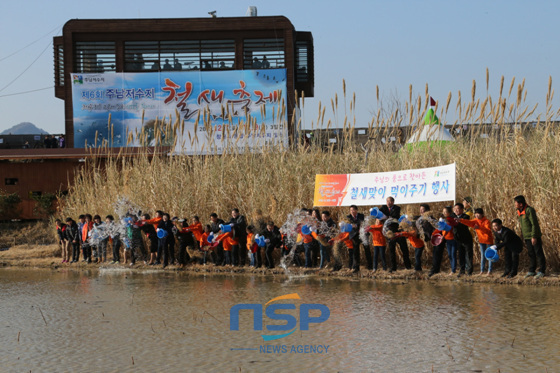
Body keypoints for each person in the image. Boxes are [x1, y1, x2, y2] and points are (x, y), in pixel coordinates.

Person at [515, 195, 546, 278]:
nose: (515, 204)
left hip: (533, 236)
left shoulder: (529, 210)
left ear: (521, 204)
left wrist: (534, 236)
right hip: (527, 237)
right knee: (531, 253)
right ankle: (532, 270)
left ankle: (542, 271)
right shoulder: (519, 211)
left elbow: (534, 224)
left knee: (538, 253)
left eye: (516, 203)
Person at [380, 197, 411, 272]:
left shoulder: (397, 208)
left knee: (404, 250)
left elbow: (394, 216)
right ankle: (393, 268)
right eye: (387, 201)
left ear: (393, 202)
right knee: (391, 251)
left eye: (390, 201)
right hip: (390, 233)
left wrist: (386, 217)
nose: (388, 202)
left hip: (398, 231)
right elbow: (379, 214)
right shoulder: (383, 207)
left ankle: (408, 267)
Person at [460, 208, 494, 275]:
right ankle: (482, 270)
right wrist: (460, 220)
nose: (477, 215)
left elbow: (488, 230)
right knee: (482, 255)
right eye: (475, 214)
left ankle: (489, 271)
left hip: (488, 240)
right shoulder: (475, 220)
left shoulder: (486, 221)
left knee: (490, 255)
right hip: (481, 240)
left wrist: (479, 227)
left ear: (482, 214)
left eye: (478, 214)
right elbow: (469, 222)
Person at [347, 205, 372, 272]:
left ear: (356, 210)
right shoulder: (348, 217)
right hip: (354, 236)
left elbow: (362, 223)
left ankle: (370, 266)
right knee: (355, 252)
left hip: (363, 234)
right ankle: (356, 267)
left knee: (367, 250)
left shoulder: (361, 216)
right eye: (351, 210)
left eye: (353, 210)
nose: (352, 211)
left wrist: (356, 225)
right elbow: (347, 226)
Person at [451, 203, 474, 276]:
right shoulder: (452, 216)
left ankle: (469, 272)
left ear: (462, 209)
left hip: (466, 239)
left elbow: (463, 224)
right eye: (455, 209)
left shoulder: (466, 216)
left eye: (458, 209)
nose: (456, 210)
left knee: (468, 255)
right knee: (461, 255)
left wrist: (458, 221)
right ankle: (462, 270)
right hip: (458, 239)